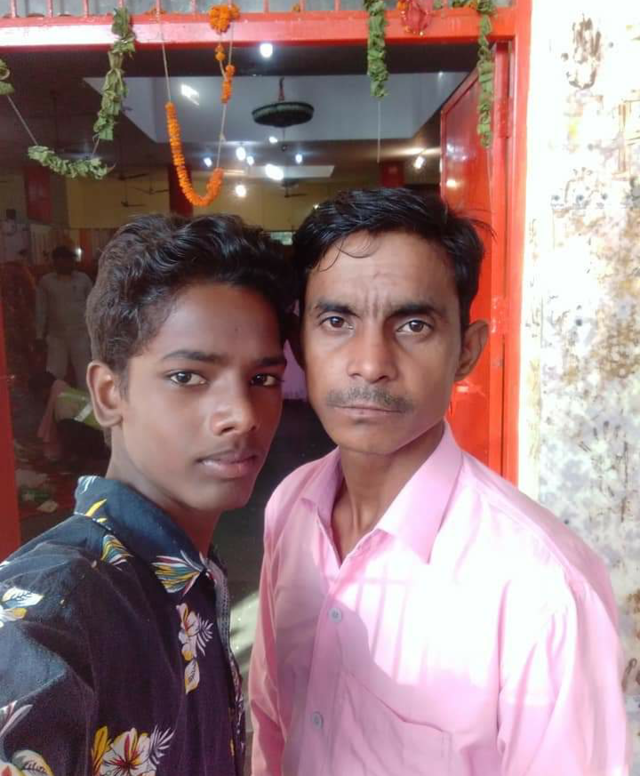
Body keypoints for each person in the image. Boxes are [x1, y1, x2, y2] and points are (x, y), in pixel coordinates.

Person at [249, 188, 629, 776]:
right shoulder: (290, 506)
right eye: (336, 321)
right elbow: (272, 719)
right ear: (301, 343)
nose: (370, 363)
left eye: (413, 324)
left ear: (466, 351)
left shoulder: (543, 588)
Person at [0, 214, 295, 775]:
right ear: (109, 393)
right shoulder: (53, 609)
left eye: (263, 379)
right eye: (188, 376)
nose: (241, 414)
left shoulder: (192, 572)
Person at [35, 244, 93, 386]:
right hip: (56, 337)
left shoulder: (83, 279)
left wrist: (95, 333)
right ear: (55, 263)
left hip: (80, 335)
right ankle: (57, 399)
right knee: (54, 373)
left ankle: (86, 399)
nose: (66, 264)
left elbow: (93, 306)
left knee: (84, 372)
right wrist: (39, 336)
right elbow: (41, 309)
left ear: (73, 262)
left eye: (68, 261)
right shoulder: (46, 282)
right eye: (61, 261)